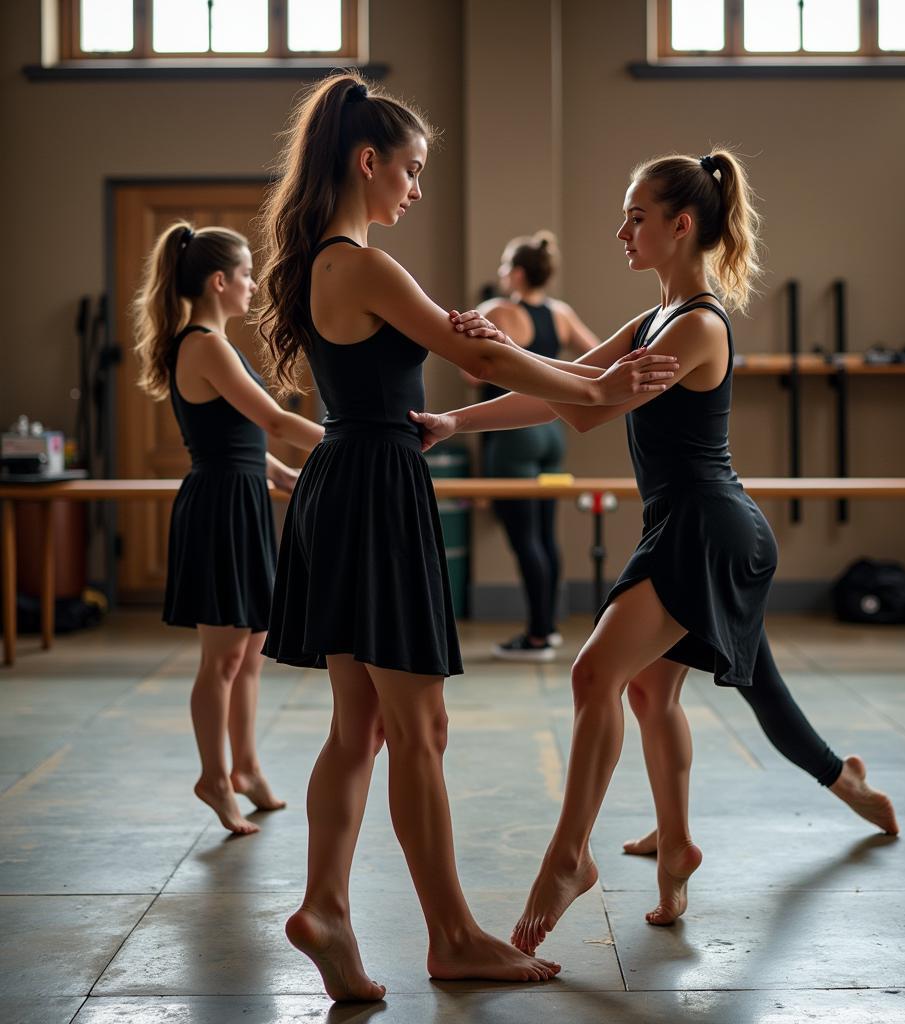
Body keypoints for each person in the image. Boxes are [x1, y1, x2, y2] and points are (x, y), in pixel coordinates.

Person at [254, 73, 678, 1001]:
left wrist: (577, 378)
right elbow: (481, 358)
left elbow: (468, 343)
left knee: (359, 729)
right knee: (418, 728)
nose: (414, 188)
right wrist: (597, 392)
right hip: (372, 488)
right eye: (409, 170)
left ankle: (326, 905)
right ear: (367, 162)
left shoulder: (331, 262)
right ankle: (451, 935)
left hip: (346, 482)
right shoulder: (360, 262)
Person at [412, 150, 897, 948]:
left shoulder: (700, 326)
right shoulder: (655, 322)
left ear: (682, 225)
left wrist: (497, 341)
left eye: (636, 217)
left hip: (710, 527)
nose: (621, 231)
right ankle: (687, 845)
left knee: (597, 674)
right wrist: (456, 422)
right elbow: (565, 390)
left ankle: (569, 857)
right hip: (685, 525)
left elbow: (594, 406)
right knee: (652, 695)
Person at [132, 221, 324, 835]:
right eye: (245, 275)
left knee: (248, 653)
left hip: (241, 495)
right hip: (218, 507)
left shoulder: (214, 342)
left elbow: (237, 435)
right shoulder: (205, 344)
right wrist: (349, 443)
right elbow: (269, 418)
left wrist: (279, 476)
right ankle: (214, 777)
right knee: (220, 659)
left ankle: (245, 766)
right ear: (220, 281)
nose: (252, 285)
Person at [477, 232, 599, 661]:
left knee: (524, 536)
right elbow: (599, 358)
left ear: (519, 272)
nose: (500, 273)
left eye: (505, 266)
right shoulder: (560, 314)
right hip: (553, 431)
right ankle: (547, 628)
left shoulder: (498, 311)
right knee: (545, 534)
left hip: (516, 432)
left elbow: (472, 374)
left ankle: (536, 637)